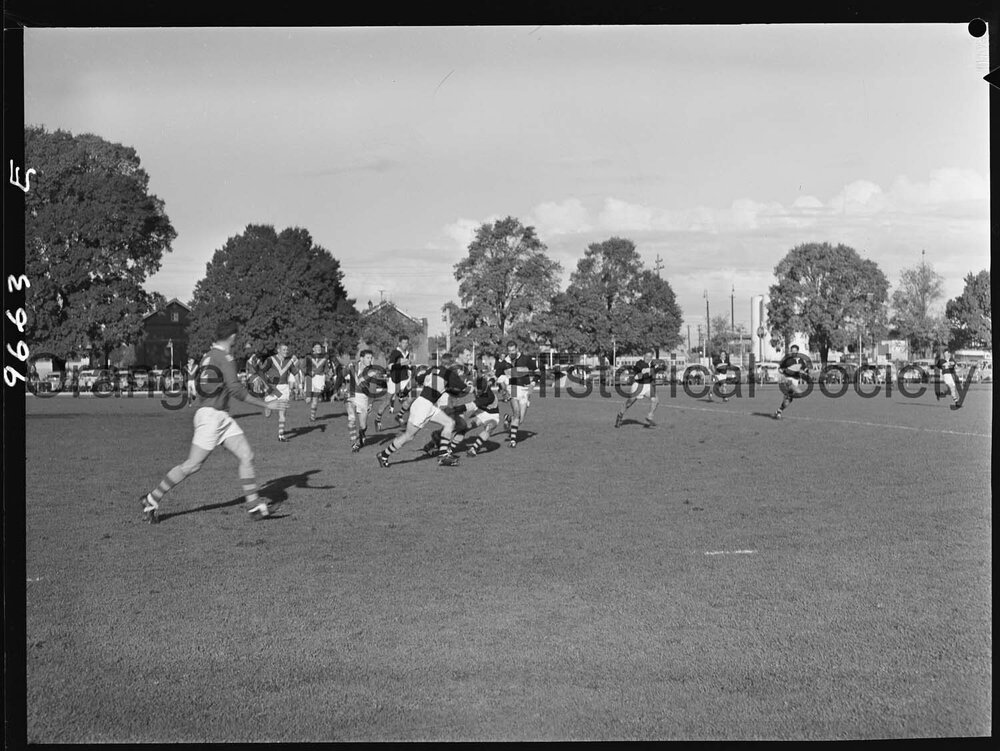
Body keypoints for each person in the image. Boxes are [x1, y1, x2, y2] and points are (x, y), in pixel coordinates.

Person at [139, 319, 288, 524]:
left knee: (246, 455)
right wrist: (265, 404)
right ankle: (151, 499)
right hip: (211, 417)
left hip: (217, 415)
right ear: (233, 337)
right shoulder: (225, 357)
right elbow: (236, 390)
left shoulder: (208, 356)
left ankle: (254, 506)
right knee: (192, 465)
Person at [376, 349, 472, 468]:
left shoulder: (431, 369)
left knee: (449, 423)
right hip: (423, 406)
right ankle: (383, 455)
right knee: (408, 436)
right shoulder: (449, 373)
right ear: (450, 364)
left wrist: (404, 391)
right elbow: (464, 388)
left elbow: (416, 379)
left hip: (426, 405)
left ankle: (443, 456)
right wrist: (471, 387)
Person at [496, 341, 539, 448]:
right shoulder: (504, 362)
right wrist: (503, 389)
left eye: (513, 350)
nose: (511, 352)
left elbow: (538, 371)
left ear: (517, 349)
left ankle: (508, 418)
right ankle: (513, 441)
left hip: (525, 389)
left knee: (521, 419)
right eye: (509, 351)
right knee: (516, 412)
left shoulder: (525, 359)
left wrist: (533, 383)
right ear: (507, 351)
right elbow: (498, 376)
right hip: (513, 387)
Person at [344, 350, 388, 452]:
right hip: (350, 393)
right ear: (362, 358)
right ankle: (354, 443)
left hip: (363, 397)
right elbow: (342, 375)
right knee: (351, 416)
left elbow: (372, 388)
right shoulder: (352, 365)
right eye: (368, 358)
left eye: (371, 358)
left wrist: (371, 403)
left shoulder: (372, 371)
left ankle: (362, 434)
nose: (370, 360)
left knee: (363, 425)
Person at [262, 343, 299, 441]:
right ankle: (267, 406)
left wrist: (298, 385)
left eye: (287, 349)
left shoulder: (289, 362)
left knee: (283, 413)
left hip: (284, 388)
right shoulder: (270, 360)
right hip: (272, 387)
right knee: (267, 414)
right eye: (284, 349)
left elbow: (295, 373)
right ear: (278, 350)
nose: (286, 351)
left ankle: (281, 435)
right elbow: (261, 371)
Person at [614, 349, 660, 428]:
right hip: (638, 386)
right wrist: (648, 371)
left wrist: (659, 368)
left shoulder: (652, 364)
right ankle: (620, 416)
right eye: (647, 356)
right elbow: (639, 373)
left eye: (650, 356)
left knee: (655, 400)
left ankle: (649, 417)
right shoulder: (639, 363)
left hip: (648, 386)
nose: (648, 358)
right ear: (644, 356)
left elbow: (656, 371)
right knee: (629, 403)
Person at [377, 334, 414, 428]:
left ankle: (399, 416)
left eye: (407, 343)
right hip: (395, 379)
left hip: (404, 379)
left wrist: (409, 365)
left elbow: (408, 364)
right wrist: (402, 363)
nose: (405, 344)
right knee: (387, 401)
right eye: (403, 343)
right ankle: (378, 418)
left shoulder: (407, 353)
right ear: (399, 343)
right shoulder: (395, 353)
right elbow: (390, 366)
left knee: (410, 398)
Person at [773, 344, 812, 419]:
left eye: (795, 351)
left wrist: (806, 372)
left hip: (796, 380)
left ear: (797, 351)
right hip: (788, 379)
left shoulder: (801, 361)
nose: (793, 353)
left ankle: (779, 411)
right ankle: (787, 394)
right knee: (800, 393)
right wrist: (783, 371)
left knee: (788, 400)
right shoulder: (787, 360)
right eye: (792, 351)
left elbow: (805, 369)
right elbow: (780, 369)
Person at [304, 342, 333, 421]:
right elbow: (303, 367)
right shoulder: (308, 357)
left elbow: (326, 368)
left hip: (319, 378)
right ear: (313, 349)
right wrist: (309, 372)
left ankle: (312, 417)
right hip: (309, 378)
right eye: (316, 347)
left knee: (315, 398)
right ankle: (308, 399)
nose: (319, 349)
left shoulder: (324, 358)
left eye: (320, 347)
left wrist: (329, 372)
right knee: (308, 400)